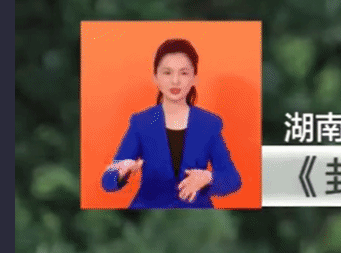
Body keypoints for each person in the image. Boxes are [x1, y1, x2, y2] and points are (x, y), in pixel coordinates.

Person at [101, 38, 242, 209]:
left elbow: (233, 179)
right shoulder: (141, 122)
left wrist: (208, 178)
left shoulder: (209, 124)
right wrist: (120, 171)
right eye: (167, 73)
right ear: (155, 77)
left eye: (184, 73)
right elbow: (107, 182)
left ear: (194, 78)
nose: (175, 81)